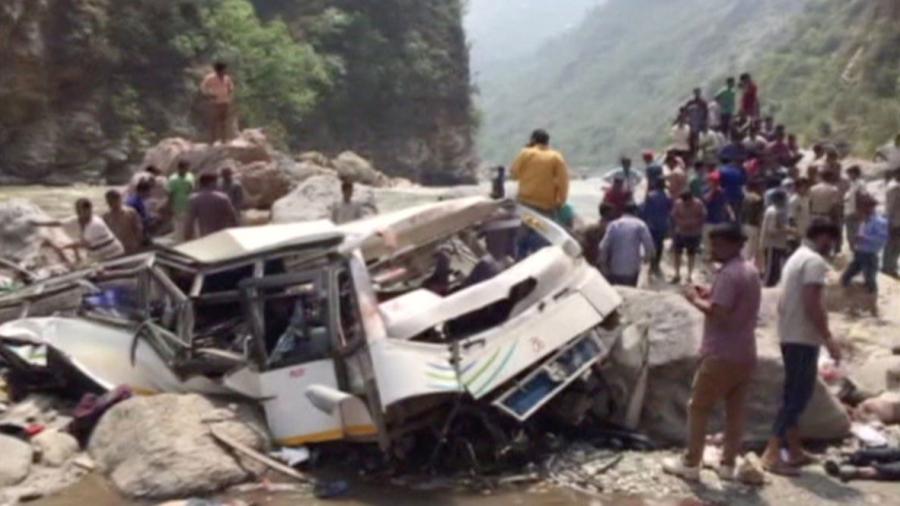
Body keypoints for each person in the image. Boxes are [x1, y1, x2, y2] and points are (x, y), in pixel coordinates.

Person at [663, 223, 761, 482]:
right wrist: (708, 294)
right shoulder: (750, 270)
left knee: (698, 407)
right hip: (746, 351)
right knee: (735, 411)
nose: (712, 249)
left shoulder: (729, 274)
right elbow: (733, 304)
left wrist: (693, 300)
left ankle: (691, 463)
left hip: (722, 352)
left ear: (733, 244)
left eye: (717, 244)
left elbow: (721, 314)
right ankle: (728, 464)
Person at [761, 220, 843, 474]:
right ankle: (772, 453)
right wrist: (828, 338)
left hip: (789, 333)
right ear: (823, 237)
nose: (831, 247)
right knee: (798, 395)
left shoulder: (796, 257)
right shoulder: (814, 262)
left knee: (792, 393)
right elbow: (812, 301)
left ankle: (794, 450)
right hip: (803, 337)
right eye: (831, 242)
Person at [31, 199, 125, 265]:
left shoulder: (96, 224)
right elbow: (59, 223)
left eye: (85, 210)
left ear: (90, 210)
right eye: (79, 210)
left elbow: (82, 244)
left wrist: (61, 247)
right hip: (97, 254)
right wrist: (37, 223)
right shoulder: (78, 219)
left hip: (113, 253)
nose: (82, 213)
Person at [841, 195, 889, 301]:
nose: (860, 209)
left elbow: (882, 239)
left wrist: (865, 238)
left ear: (870, 207)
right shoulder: (864, 220)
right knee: (846, 277)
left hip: (870, 255)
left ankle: (873, 303)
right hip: (860, 253)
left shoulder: (880, 222)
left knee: (870, 280)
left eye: (862, 207)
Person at [598, 205, 655, 287]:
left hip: (614, 268)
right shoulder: (640, 224)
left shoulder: (614, 224)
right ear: (636, 212)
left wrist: (603, 265)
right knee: (629, 292)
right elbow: (649, 245)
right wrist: (647, 258)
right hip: (632, 269)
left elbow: (603, 246)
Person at [184, 172, 240, 240]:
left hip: (205, 236)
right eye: (216, 182)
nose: (218, 184)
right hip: (223, 235)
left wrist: (187, 236)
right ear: (212, 183)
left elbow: (189, 221)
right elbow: (233, 218)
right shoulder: (223, 198)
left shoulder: (194, 199)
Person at [671, 191, 707, 284]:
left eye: (688, 202)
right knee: (677, 253)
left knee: (691, 254)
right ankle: (677, 274)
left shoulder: (698, 204)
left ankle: (689, 275)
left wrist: (695, 223)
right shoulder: (678, 203)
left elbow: (703, 216)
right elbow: (674, 215)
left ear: (691, 199)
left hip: (693, 233)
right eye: (685, 202)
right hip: (680, 232)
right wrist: (680, 223)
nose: (686, 204)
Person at [640, 179, 673, 278]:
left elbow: (645, 210)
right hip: (662, 225)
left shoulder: (650, 196)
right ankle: (656, 264)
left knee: (651, 243)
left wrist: (644, 221)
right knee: (660, 244)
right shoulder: (668, 197)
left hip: (651, 224)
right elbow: (670, 211)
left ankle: (651, 264)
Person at [761, 190, 792, 287]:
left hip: (778, 244)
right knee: (770, 270)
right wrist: (786, 230)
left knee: (776, 269)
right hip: (772, 245)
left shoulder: (778, 210)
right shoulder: (772, 211)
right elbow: (771, 230)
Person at [200, 62, 235, 144]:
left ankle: (224, 139)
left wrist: (230, 91)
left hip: (225, 101)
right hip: (214, 102)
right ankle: (212, 140)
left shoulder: (227, 78)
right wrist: (208, 94)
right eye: (222, 70)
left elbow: (231, 86)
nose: (224, 71)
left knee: (223, 121)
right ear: (217, 70)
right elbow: (203, 87)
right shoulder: (210, 78)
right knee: (213, 121)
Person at [102, 189, 144, 255]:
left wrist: (137, 243)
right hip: (114, 250)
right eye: (108, 201)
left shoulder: (130, 212)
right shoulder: (106, 217)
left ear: (119, 199)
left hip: (130, 247)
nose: (110, 203)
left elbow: (139, 229)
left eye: (112, 201)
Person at [167, 161, 195, 241]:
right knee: (179, 228)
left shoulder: (190, 176)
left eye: (187, 168)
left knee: (190, 226)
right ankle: (180, 244)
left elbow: (192, 189)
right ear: (179, 168)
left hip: (189, 206)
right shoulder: (173, 179)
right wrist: (170, 207)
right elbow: (170, 194)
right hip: (177, 207)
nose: (186, 170)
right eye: (185, 168)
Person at [582, 203, 616, 270]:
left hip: (593, 261)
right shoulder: (611, 228)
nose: (613, 213)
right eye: (612, 212)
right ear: (607, 213)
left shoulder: (591, 228)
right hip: (605, 262)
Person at [719, 158, 747, 222]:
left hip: (727, 194)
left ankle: (730, 221)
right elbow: (743, 183)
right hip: (738, 193)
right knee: (737, 212)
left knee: (727, 210)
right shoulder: (738, 170)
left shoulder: (721, 170)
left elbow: (720, 184)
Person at [843, 165, 865, 246]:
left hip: (856, 213)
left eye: (850, 174)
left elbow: (862, 198)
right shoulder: (851, 183)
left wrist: (859, 212)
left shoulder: (860, 184)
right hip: (849, 212)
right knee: (850, 235)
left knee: (856, 235)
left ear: (855, 173)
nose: (849, 176)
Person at [883, 170, 900, 277]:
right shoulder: (895, 188)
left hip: (895, 221)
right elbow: (890, 206)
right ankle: (888, 268)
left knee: (895, 245)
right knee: (892, 245)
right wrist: (888, 221)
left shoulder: (893, 185)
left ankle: (890, 267)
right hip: (895, 222)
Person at [684, 88, 709, 156]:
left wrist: (705, 124)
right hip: (691, 124)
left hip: (700, 124)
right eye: (696, 93)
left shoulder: (703, 103)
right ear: (694, 93)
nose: (697, 94)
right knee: (691, 139)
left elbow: (706, 114)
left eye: (698, 93)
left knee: (699, 140)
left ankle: (698, 154)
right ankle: (692, 154)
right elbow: (685, 112)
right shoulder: (690, 102)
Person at [789, 177, 812, 243]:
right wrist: (795, 233)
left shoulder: (806, 199)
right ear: (797, 188)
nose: (806, 189)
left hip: (805, 230)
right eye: (804, 186)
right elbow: (791, 218)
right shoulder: (794, 200)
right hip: (797, 233)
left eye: (807, 186)